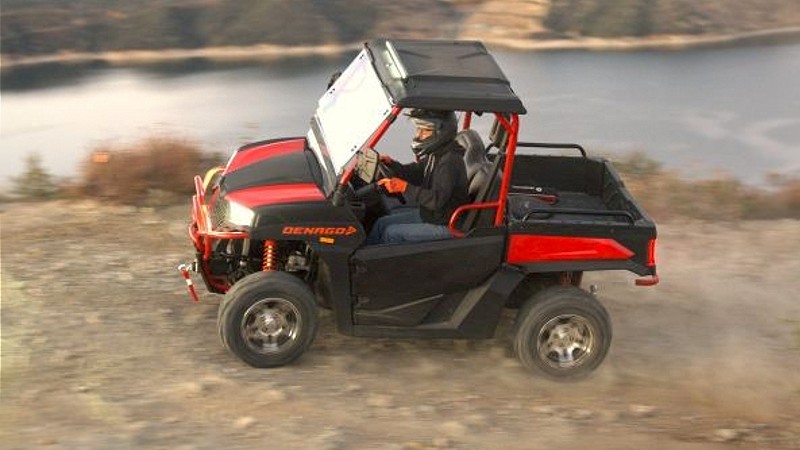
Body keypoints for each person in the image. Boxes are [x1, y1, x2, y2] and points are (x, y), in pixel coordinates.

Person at [366, 109, 469, 245]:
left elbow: (436, 200)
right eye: (418, 129)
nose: (419, 135)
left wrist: (405, 187)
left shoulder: (450, 161)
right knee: (381, 223)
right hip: (432, 215)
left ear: (441, 132)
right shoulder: (437, 153)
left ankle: (380, 259)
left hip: (446, 224)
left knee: (390, 233)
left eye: (425, 131)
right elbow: (417, 172)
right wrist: (393, 165)